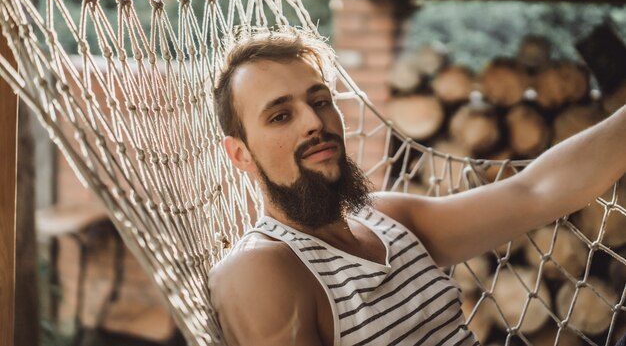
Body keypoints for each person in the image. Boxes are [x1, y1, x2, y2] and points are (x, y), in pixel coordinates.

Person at [208, 29, 626, 346]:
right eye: (280, 116)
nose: (314, 122)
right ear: (240, 153)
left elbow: (536, 192)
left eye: (319, 101)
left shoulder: (389, 219)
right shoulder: (261, 269)